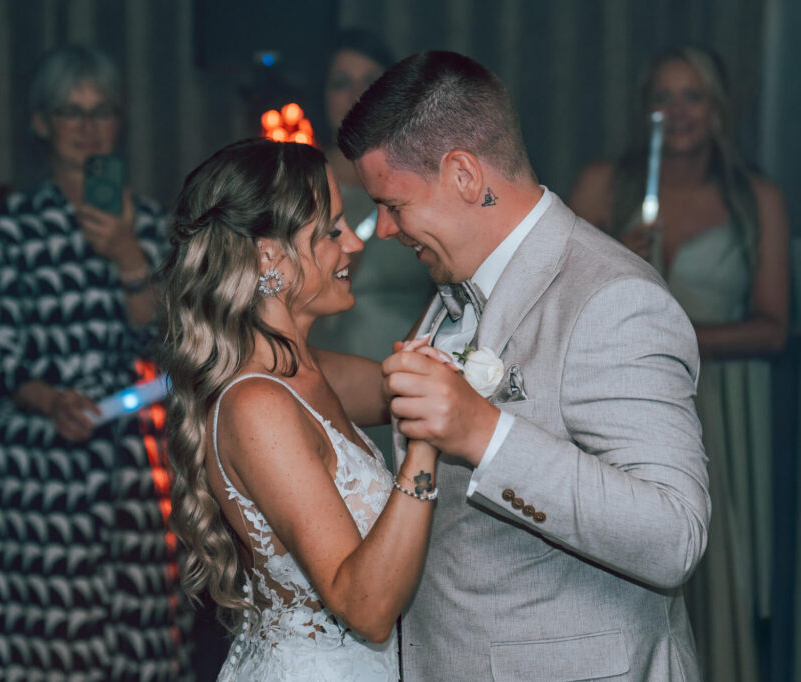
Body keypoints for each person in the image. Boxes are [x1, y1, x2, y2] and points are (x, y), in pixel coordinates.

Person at [336, 50, 711, 680]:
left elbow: (676, 535)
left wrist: (484, 434)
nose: (384, 230)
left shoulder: (612, 297)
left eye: (394, 205)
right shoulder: (454, 283)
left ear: (462, 174)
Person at [160, 138, 442, 680]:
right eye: (332, 230)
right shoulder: (257, 405)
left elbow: (412, 380)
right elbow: (366, 610)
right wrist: (423, 451)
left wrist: (455, 260)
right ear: (269, 256)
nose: (354, 244)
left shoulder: (309, 372)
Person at [0, 45, 187, 681]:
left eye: (102, 111)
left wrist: (128, 257)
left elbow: (173, 350)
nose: (88, 127)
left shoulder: (150, 223)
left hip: (133, 468)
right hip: (40, 469)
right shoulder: (12, 226)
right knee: (43, 646)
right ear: (41, 123)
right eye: (71, 112)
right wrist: (51, 400)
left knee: (137, 641)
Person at [567, 45, 790, 682]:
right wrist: (614, 258)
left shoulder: (756, 197)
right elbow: (559, 302)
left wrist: (667, 334)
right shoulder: (604, 184)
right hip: (626, 396)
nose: (679, 111)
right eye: (663, 97)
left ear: (718, 107)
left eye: (693, 95)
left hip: (727, 406)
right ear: (646, 110)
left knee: (721, 566)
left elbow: (774, 328)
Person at [307, 29, 436, 463]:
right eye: (341, 82)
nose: (356, 95)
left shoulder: (424, 181)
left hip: (406, 376)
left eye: (370, 81)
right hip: (321, 374)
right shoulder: (296, 184)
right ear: (321, 94)